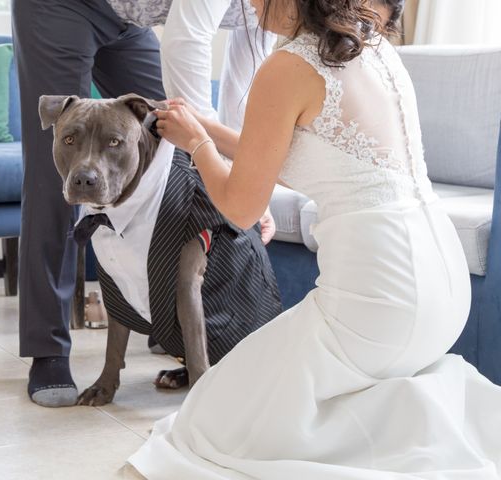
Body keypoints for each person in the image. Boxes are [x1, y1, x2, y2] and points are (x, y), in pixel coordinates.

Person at [129, 0, 501, 477]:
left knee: (210, 417)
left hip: (379, 303)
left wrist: (198, 145)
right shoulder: (374, 48)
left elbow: (241, 208)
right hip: (443, 294)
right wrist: (204, 128)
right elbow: (297, 155)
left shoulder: (287, 68)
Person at [11, 0, 275, 408]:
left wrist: (245, 183)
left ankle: (163, 319)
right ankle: (48, 350)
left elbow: (246, 74)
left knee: (159, 134)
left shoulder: (279, 11)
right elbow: (187, 46)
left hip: (128, 16)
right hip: (59, 5)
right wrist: (226, 172)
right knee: (56, 182)